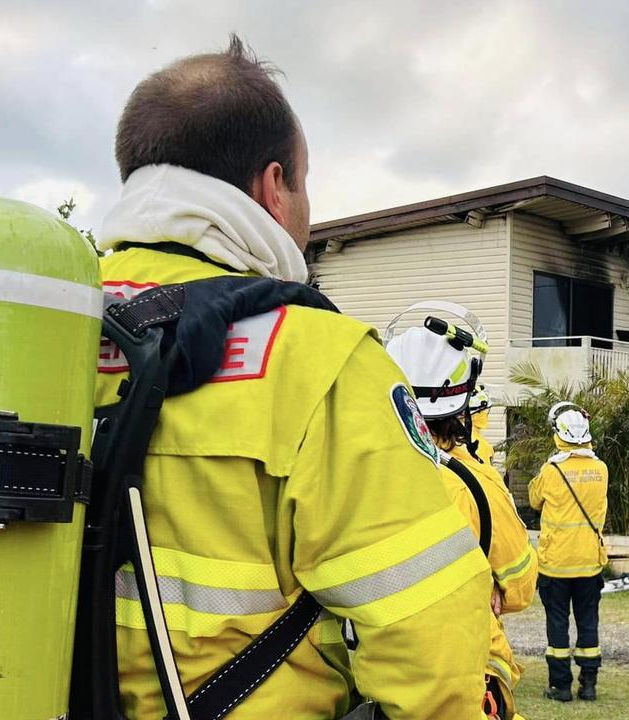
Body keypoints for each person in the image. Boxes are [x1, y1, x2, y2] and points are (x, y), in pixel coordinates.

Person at [95, 37, 491, 719]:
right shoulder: (321, 358)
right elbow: (429, 644)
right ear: (273, 187)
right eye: (306, 184)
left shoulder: (36, 330)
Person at [385, 309, 538, 720]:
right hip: (465, 679)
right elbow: (520, 587)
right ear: (462, 400)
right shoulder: (474, 485)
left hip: (375, 673)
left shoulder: (357, 471)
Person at [528, 403, 610, 702]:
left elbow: (535, 499)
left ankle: (560, 686)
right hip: (589, 562)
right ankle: (588, 685)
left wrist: (553, 462)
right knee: (588, 622)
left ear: (558, 435)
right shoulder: (601, 469)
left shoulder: (551, 471)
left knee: (558, 623)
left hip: (555, 565)